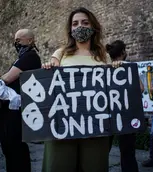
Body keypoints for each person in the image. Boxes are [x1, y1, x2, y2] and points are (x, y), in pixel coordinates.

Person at [42, 7, 113, 172]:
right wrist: (47, 69)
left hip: (95, 126)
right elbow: (52, 79)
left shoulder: (103, 56)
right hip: (63, 125)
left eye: (84, 22)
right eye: (75, 24)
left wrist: (119, 69)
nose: (79, 26)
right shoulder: (61, 53)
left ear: (93, 27)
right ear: (70, 29)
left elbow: (112, 85)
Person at [0, 29, 41, 172]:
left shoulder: (30, 57)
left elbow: (8, 78)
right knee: (9, 148)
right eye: (15, 40)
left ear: (30, 40)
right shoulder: (22, 57)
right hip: (10, 110)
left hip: (16, 112)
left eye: (19, 40)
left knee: (15, 149)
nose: (16, 43)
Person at [106, 40, 144, 172]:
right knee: (127, 152)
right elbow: (141, 88)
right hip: (127, 115)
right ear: (123, 52)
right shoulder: (129, 67)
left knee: (103, 150)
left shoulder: (104, 68)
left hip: (108, 115)